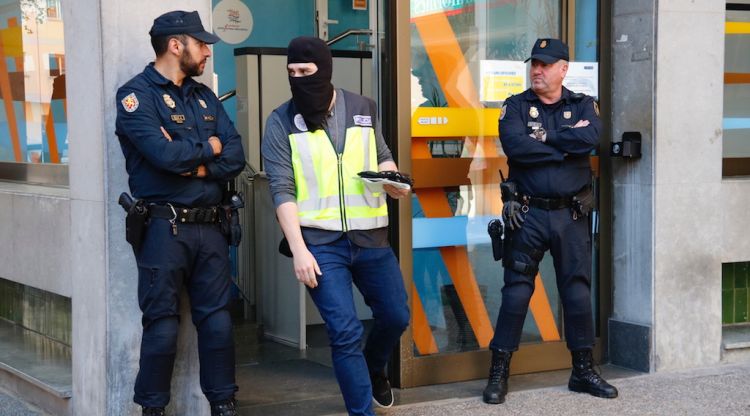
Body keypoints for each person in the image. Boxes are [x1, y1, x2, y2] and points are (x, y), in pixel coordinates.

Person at [261, 36, 411, 416]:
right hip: (320, 245)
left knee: (396, 316)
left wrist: (392, 180)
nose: (298, 79)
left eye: (306, 72)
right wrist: (298, 250)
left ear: (325, 70)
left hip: (371, 237)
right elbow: (282, 190)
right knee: (344, 333)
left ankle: (374, 368)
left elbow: (382, 156)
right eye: (291, 72)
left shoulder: (363, 107)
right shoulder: (280, 121)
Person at [115, 10, 245, 416]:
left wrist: (195, 161)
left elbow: (236, 155)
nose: (208, 51)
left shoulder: (203, 96)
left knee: (218, 321)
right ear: (176, 45)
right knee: (162, 325)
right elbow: (163, 155)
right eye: (201, 43)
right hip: (162, 229)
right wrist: (209, 149)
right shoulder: (135, 96)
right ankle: (152, 409)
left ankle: (223, 403)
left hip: (211, 226)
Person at [482, 38, 618, 404]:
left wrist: (545, 138)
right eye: (534, 64)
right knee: (516, 293)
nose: (537, 70)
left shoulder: (584, 104)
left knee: (576, 292)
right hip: (527, 215)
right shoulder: (514, 106)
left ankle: (583, 371)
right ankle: (498, 371)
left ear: (563, 69)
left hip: (571, 214)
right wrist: (564, 146)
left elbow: (590, 137)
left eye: (545, 64)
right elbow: (516, 146)